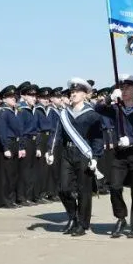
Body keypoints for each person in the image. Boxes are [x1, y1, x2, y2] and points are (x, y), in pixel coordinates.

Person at [46, 78, 103, 237]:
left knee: (84, 190)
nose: (73, 94)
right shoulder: (64, 113)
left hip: (84, 155)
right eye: (72, 92)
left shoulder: (92, 114)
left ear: (85, 94)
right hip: (67, 153)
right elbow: (56, 132)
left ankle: (82, 224)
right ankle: (73, 216)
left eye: (77, 92)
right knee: (63, 188)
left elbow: (97, 137)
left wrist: (96, 157)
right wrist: (49, 150)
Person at [101, 74, 133, 238]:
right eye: (122, 88)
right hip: (120, 154)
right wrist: (109, 98)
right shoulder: (116, 109)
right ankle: (121, 217)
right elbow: (98, 109)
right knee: (115, 186)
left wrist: (131, 139)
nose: (124, 91)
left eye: (128, 88)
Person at [0, 85, 22, 208]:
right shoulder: (3, 112)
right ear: (4, 99)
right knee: (6, 175)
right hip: (8, 144)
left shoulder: (13, 112)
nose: (14, 99)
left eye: (14, 97)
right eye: (10, 97)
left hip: (15, 143)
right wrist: (5, 148)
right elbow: (2, 132)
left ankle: (11, 199)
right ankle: (4, 200)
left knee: (13, 174)